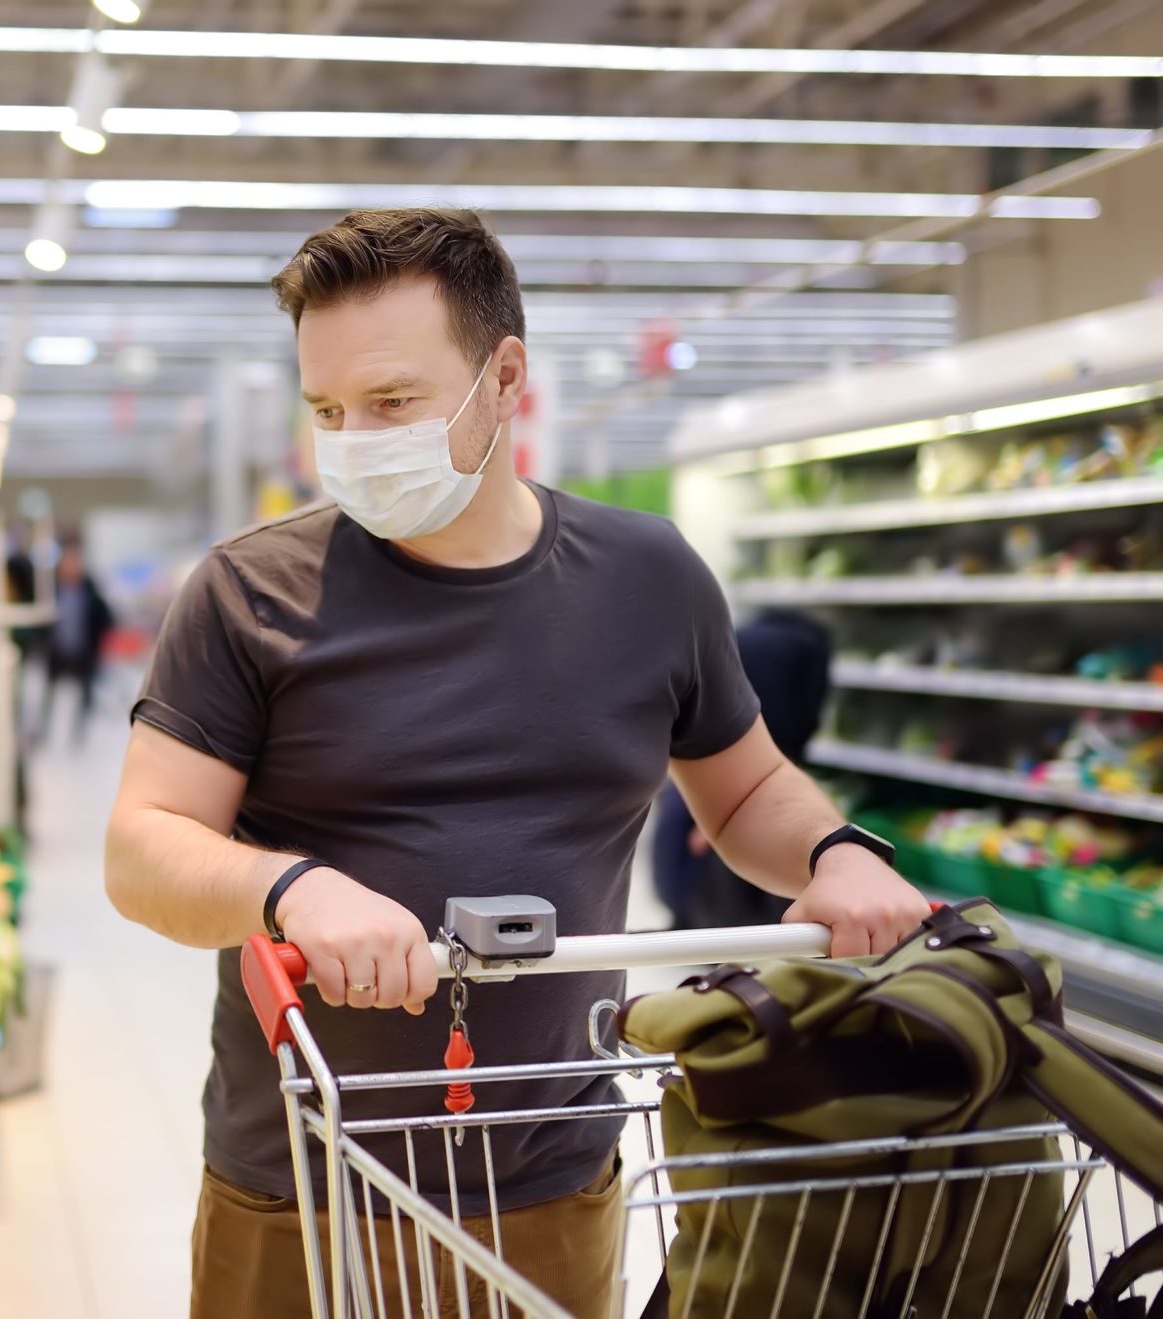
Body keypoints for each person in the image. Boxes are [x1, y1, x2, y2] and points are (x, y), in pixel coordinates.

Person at [102, 208, 930, 1318]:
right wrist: (292, 888)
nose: (356, 437)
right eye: (328, 410)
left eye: (392, 401)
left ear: (505, 378)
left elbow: (747, 789)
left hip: (549, 1164)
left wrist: (836, 851)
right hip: (302, 1171)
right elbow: (142, 847)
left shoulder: (649, 579)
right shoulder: (250, 593)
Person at [652, 609, 834, 929]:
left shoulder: (742, 634)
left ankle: (686, 913)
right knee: (745, 826)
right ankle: (739, 921)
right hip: (765, 740)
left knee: (691, 821)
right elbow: (806, 711)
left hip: (708, 737)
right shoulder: (811, 648)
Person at [40, 541, 114, 746]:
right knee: (49, 696)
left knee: (83, 698)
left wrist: (97, 642)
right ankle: (45, 734)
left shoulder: (90, 592)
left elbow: (107, 618)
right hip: (57, 652)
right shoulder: (52, 592)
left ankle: (77, 737)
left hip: (83, 653)